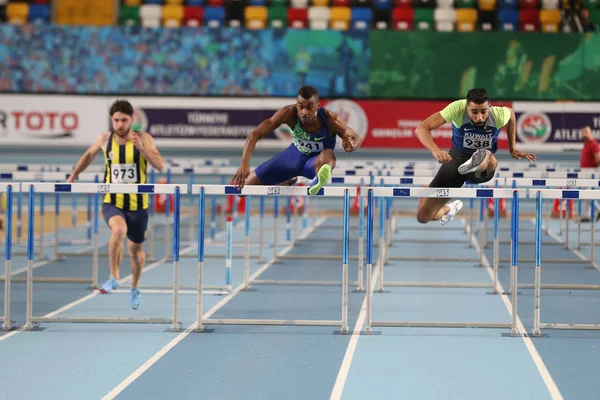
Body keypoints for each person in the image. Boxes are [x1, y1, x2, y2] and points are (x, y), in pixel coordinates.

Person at [67, 100, 165, 309]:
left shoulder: (144, 138)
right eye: (116, 120)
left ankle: (135, 286)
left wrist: (142, 149)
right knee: (118, 230)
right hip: (113, 200)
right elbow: (88, 155)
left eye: (124, 120)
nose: (119, 124)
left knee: (136, 251)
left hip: (138, 204)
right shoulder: (104, 139)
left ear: (132, 120)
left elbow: (160, 165)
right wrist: (75, 174)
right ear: (111, 120)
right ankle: (113, 277)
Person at [414, 88, 536, 225]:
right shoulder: (457, 108)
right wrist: (436, 150)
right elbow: (421, 128)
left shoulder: (498, 114)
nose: (479, 117)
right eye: (474, 112)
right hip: (457, 160)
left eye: (483, 112)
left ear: (489, 107)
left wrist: (512, 147)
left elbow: (511, 114)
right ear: (466, 108)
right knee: (423, 217)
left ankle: (477, 161)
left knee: (486, 157)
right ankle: (450, 209)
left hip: (484, 167)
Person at [232, 86, 362, 193]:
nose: (304, 112)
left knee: (328, 155)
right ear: (296, 104)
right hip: (292, 157)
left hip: (315, 162)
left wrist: (351, 144)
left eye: (309, 107)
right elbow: (255, 134)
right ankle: (289, 180)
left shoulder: (331, 120)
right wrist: (244, 164)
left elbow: (354, 137)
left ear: (318, 105)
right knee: (242, 190)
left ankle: (316, 183)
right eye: (301, 106)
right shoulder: (288, 113)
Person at [578, 125, 600, 222]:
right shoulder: (586, 145)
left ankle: (586, 215)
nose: (584, 134)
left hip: (591, 171)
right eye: (583, 132)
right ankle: (586, 215)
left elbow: (598, 158)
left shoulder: (594, 144)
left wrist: (594, 169)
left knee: (587, 193)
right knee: (586, 194)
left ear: (591, 132)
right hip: (585, 171)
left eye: (586, 132)